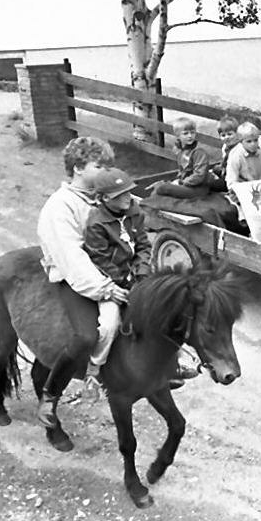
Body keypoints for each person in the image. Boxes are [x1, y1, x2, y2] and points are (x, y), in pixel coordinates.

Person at [36, 137, 125, 425]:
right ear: (77, 169)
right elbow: (71, 258)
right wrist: (106, 289)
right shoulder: (59, 208)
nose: (106, 172)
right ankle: (51, 395)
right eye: (99, 166)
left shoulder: (103, 197)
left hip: (111, 269)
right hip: (77, 277)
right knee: (86, 335)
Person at [80, 168, 152, 402]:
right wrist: (124, 282)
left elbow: (143, 245)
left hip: (136, 274)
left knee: (168, 302)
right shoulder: (96, 223)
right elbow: (99, 259)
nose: (127, 197)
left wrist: (141, 274)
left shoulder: (134, 211)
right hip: (110, 280)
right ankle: (95, 369)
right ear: (104, 199)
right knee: (110, 324)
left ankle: (171, 358)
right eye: (120, 195)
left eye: (129, 192)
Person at [151, 117, 212, 199]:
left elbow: (199, 176)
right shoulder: (179, 150)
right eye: (185, 133)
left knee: (162, 188)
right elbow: (182, 170)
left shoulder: (198, 152)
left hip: (198, 188)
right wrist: (177, 180)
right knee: (158, 186)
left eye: (192, 132)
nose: (190, 136)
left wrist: (181, 182)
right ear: (178, 135)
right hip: (186, 184)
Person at [225, 122, 261, 202]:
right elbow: (231, 180)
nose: (253, 144)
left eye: (255, 140)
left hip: (258, 188)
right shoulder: (236, 155)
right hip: (242, 190)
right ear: (241, 141)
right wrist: (237, 191)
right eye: (249, 141)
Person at [208, 115, 240, 192]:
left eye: (230, 134)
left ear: (237, 134)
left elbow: (236, 171)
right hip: (226, 172)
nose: (226, 137)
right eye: (223, 135)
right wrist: (221, 168)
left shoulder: (238, 150)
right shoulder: (225, 147)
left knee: (210, 184)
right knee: (214, 169)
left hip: (234, 179)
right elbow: (225, 162)